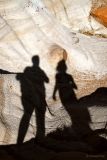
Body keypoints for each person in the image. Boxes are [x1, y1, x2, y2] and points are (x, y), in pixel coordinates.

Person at [17, 55, 49, 144]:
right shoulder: (38, 71)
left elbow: (46, 80)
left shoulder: (30, 70)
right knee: (38, 117)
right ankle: (39, 139)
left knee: (28, 116)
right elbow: (46, 80)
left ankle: (21, 140)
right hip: (34, 96)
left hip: (30, 96)